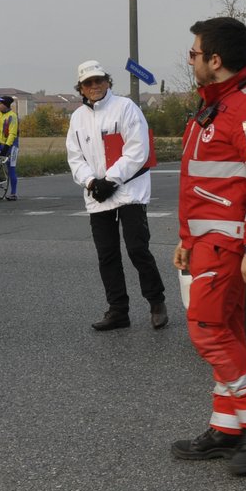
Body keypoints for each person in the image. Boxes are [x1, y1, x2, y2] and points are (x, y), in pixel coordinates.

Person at [171, 16, 246, 476]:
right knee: (228, 331)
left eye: (195, 53)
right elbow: (198, 183)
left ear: (215, 61)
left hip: (228, 244)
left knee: (207, 331)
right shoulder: (214, 106)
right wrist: (186, 240)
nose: (190, 59)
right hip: (206, 242)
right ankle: (228, 427)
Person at [65, 60, 168, 331]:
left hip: (130, 191)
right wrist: (91, 182)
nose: (95, 86)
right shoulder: (77, 118)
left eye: (99, 80)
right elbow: (74, 157)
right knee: (107, 254)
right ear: (82, 88)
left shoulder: (125, 108)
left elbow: (138, 150)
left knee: (137, 248)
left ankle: (156, 301)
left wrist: (111, 179)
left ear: (107, 82)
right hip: (97, 195)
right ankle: (118, 310)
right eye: (89, 83)